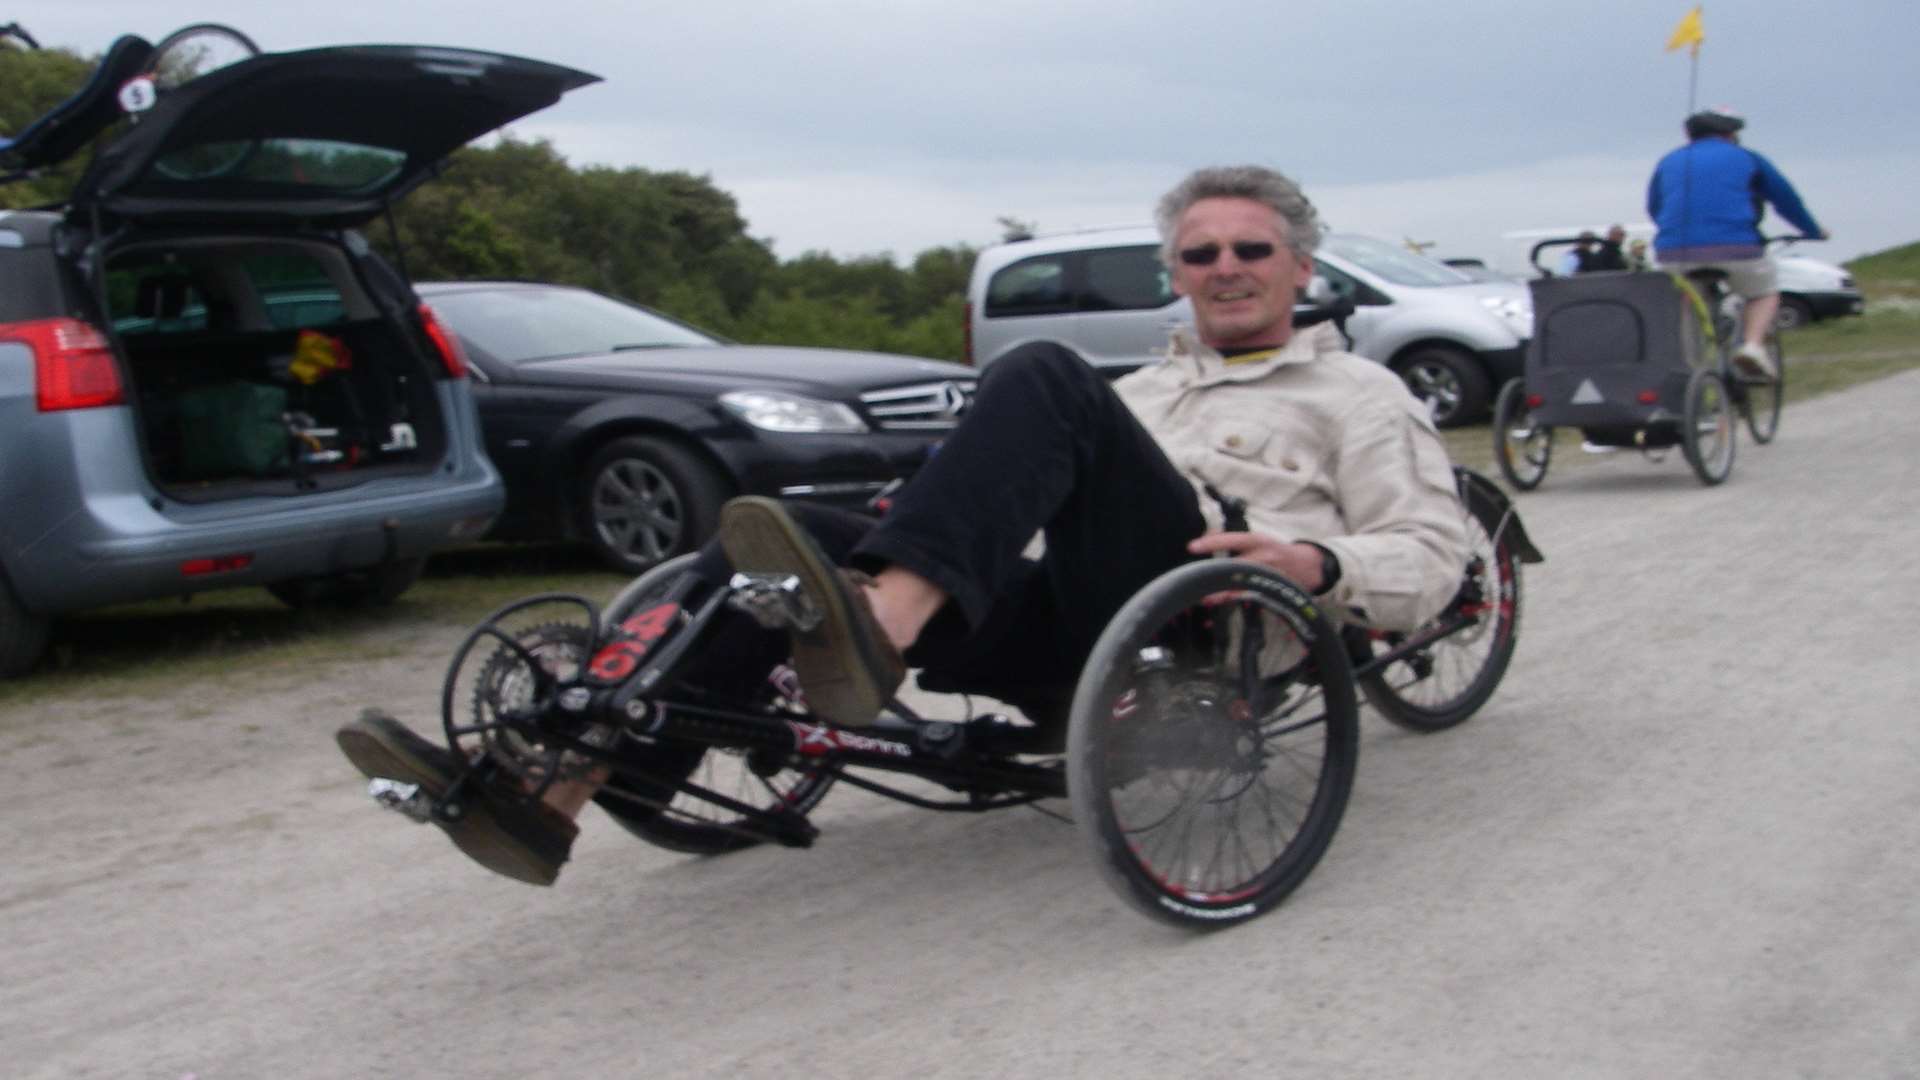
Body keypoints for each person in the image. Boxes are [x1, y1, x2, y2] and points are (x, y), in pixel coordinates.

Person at [335, 164, 1470, 886]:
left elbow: (1430, 557)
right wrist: (903, 520)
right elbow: (1014, 494)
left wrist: (1309, 558)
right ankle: (563, 783)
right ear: (1176, 273)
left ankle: (883, 621)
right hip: (1071, 623)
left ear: (1300, 268)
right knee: (770, 530)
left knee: (1038, 373)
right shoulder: (1139, 396)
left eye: (1252, 250)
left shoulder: (1358, 396)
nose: (1226, 268)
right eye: (1201, 253)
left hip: (1205, 623)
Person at [1647, 108, 1828, 379]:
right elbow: (1786, 201)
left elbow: (1654, 208)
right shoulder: (1747, 158)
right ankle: (1753, 346)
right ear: (1730, 134)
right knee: (1763, 292)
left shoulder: (1668, 161)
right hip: (1737, 248)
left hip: (1674, 252)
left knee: (1688, 308)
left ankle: (1690, 374)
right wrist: (1813, 230)